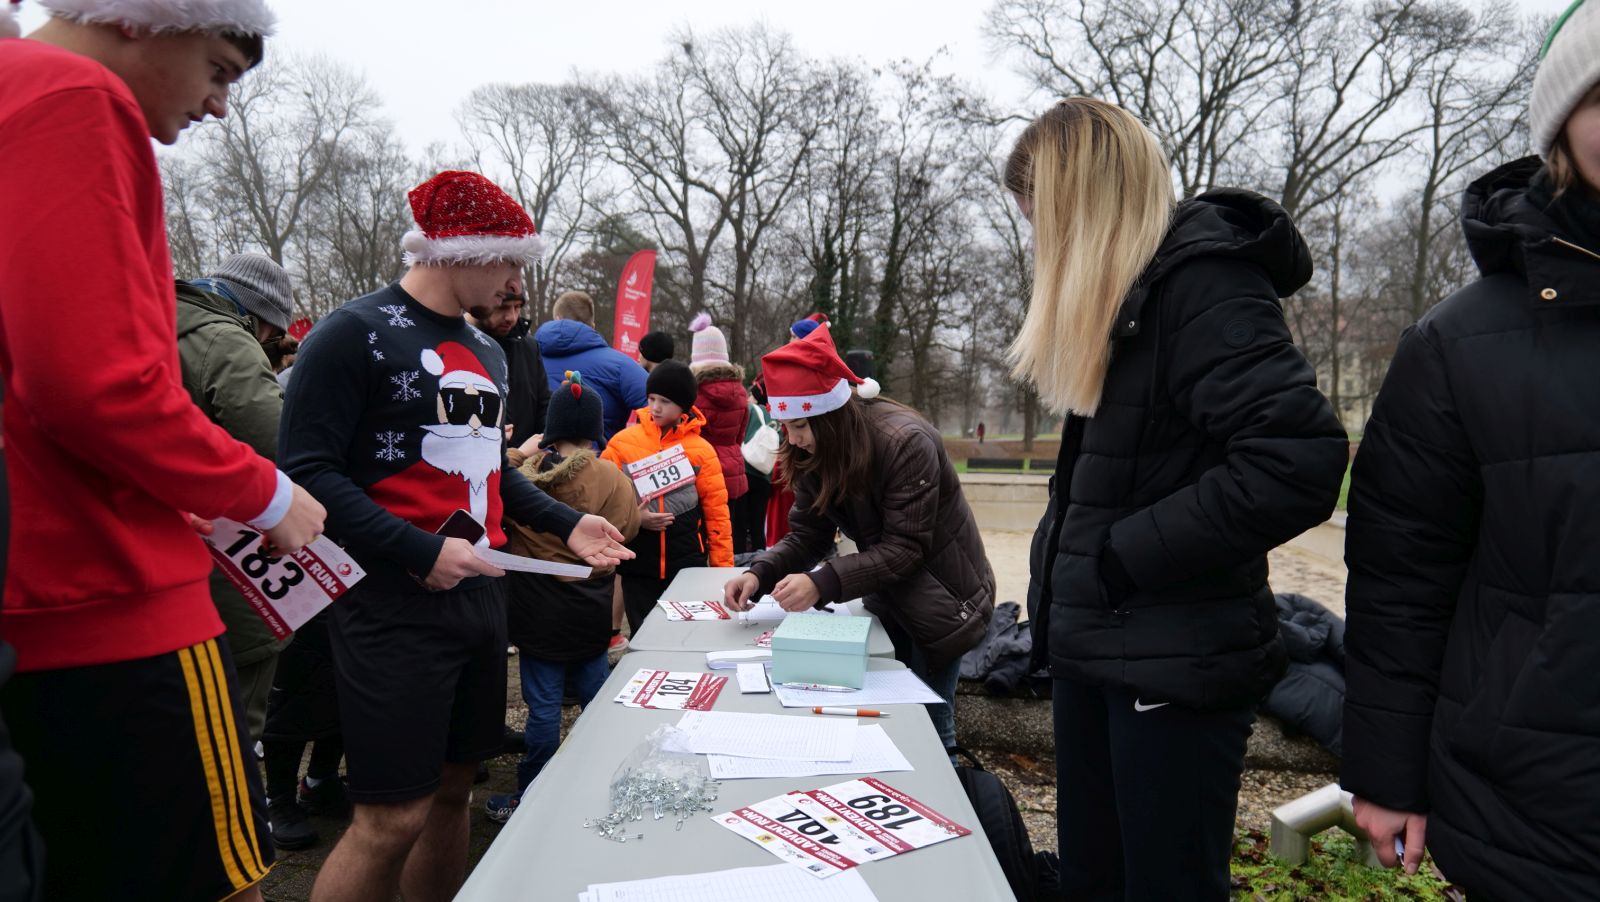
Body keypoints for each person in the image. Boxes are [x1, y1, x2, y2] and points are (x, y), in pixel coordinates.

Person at [0, 3, 328, 900]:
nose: (219, 105)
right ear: (147, 19)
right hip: (112, 598)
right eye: (220, 69)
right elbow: (92, 382)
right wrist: (260, 491)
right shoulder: (73, 94)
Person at [1011, 98, 1347, 899]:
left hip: (1176, 661)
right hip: (1103, 648)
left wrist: (1125, 557)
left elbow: (1297, 461)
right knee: (1098, 879)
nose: (1037, 243)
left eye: (1038, 218)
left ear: (1082, 204)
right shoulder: (1123, 301)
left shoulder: (1203, 285)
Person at [279, 169, 631, 902]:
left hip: (480, 599)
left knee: (452, 798)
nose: (514, 283)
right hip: (389, 607)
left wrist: (570, 524)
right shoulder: (353, 334)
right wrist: (418, 550)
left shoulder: (493, 352)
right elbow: (306, 472)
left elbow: (490, 474)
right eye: (508, 261)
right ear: (462, 251)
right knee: (390, 816)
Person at [1343, 6, 1600, 896]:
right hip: (1536, 815)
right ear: (1564, 122)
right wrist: (1386, 770)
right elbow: (1402, 577)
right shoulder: (1458, 343)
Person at [722, 326, 992, 753]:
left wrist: (822, 582)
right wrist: (761, 572)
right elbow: (808, 534)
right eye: (785, 426)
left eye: (799, 426)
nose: (792, 439)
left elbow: (906, 549)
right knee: (888, 723)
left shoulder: (905, 443)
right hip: (887, 594)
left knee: (933, 733)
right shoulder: (812, 448)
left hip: (944, 603)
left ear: (829, 415)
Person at [485, 371, 641, 823]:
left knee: (544, 708)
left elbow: (494, 479)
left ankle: (531, 794)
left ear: (551, 429)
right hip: (591, 606)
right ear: (595, 428)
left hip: (536, 611)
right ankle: (604, 778)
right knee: (595, 699)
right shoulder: (612, 476)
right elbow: (627, 529)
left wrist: (523, 449)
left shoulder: (526, 474)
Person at [177, 252, 297, 742]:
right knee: (236, 716)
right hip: (227, 551)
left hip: (162, 548)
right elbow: (275, 440)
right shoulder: (229, 339)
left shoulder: (155, 323)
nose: (269, 343)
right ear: (259, 317)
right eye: (272, 333)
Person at [603, 359, 734, 633]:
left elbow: (717, 514)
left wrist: (724, 573)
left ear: (684, 405)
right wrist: (634, 518)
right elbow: (602, 498)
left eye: (665, 400)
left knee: (684, 635)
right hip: (638, 564)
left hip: (687, 566)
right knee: (642, 632)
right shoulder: (622, 443)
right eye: (651, 398)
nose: (656, 407)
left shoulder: (702, 451)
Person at [535, 290, 648, 440]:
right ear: (592, 326)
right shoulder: (620, 365)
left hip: (533, 459)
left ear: (557, 319)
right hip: (598, 459)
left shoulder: (524, 361)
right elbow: (664, 406)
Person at [468, 289, 549, 449]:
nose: (511, 317)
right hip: (476, 465)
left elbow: (543, 405)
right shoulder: (459, 345)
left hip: (526, 466)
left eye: (517, 307)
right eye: (503, 308)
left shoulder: (529, 347)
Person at [689, 313, 749, 504]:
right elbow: (741, 434)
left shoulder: (695, 393)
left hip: (703, 471)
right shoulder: (740, 392)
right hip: (734, 469)